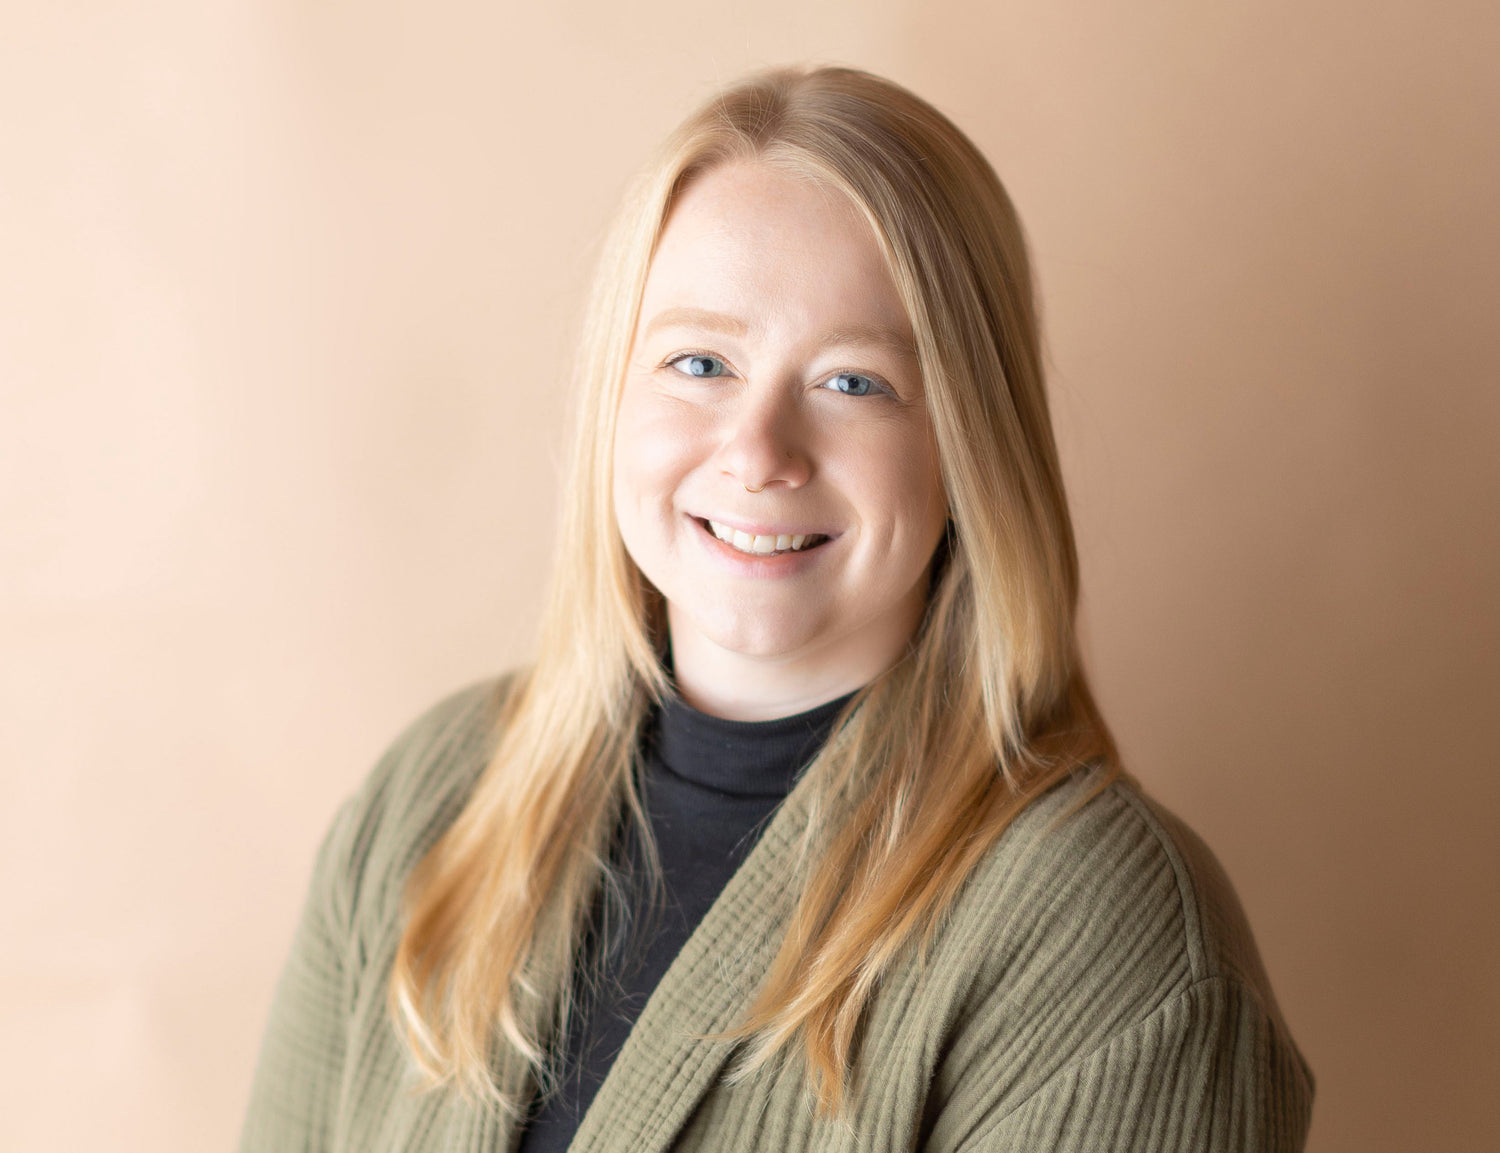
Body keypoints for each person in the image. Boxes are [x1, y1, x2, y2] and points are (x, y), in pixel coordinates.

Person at [239, 65, 1314, 1152]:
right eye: (700, 361)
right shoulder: (433, 799)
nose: (758, 452)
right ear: (614, 395)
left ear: (969, 445)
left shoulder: (1109, 944)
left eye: (853, 381)